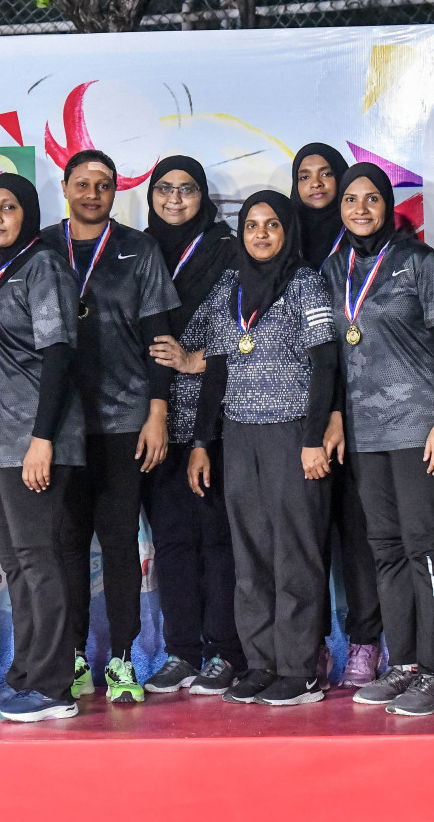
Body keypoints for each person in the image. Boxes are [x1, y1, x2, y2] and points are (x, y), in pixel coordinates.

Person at [319, 163, 434, 716]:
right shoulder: (334, 271)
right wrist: (334, 417)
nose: (360, 208)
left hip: (418, 427)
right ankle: (401, 664)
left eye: (371, 198)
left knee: (422, 544)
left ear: (388, 205)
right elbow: (331, 353)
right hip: (363, 433)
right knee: (384, 548)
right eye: (351, 199)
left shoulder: (417, 261)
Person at [189, 190, 339, 706]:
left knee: (294, 552)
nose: (260, 234)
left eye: (271, 225)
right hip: (239, 434)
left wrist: (315, 436)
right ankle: (260, 664)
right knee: (249, 554)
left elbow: (325, 364)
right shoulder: (230, 287)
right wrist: (203, 442)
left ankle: (299, 670)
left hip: (293, 433)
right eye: (251, 225)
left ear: (287, 231)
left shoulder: (305, 284)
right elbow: (216, 368)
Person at [39, 150, 178, 703]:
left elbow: (160, 340)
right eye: (82, 183)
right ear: (65, 187)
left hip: (124, 420)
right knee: (65, 544)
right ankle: (73, 655)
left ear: (116, 192)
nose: (92, 192)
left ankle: (121, 658)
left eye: (103, 184)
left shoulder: (137, 249)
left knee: (120, 543)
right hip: (58, 426)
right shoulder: (42, 246)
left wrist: (157, 413)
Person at [0, 174, 85, 722]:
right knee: (14, 564)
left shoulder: (45, 265)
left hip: (30, 440)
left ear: (28, 213)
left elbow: (59, 356)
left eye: (8, 207)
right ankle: (25, 675)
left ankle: (54, 687)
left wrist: (43, 440)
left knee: (39, 560)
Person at [142, 157, 247, 697]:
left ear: (203, 195)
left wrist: (191, 359)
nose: (175, 199)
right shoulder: (137, 250)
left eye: (187, 189)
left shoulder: (229, 253)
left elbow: (246, 337)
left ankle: (226, 654)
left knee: (217, 540)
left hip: (214, 418)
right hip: (151, 423)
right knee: (172, 541)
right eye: (164, 189)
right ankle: (182, 651)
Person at [290, 143, 382, 688]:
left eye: (329, 175)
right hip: (295, 418)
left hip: (356, 417)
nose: (318, 184)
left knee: (357, 536)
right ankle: (314, 645)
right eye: (306, 176)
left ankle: (366, 643)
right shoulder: (283, 243)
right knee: (305, 537)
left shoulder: (371, 252)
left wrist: (339, 413)